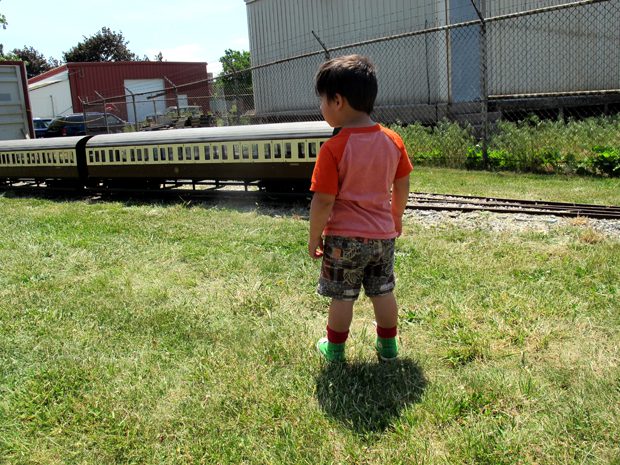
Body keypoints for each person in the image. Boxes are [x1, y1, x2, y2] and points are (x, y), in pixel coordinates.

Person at [308, 54, 413, 362]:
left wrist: (315, 236)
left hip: (345, 240)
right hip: (383, 237)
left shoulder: (334, 148)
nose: (322, 107)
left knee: (342, 297)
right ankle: (388, 347)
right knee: (383, 291)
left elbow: (323, 200)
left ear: (337, 101)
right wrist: (395, 216)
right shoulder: (393, 140)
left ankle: (336, 350)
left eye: (323, 100)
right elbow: (403, 182)